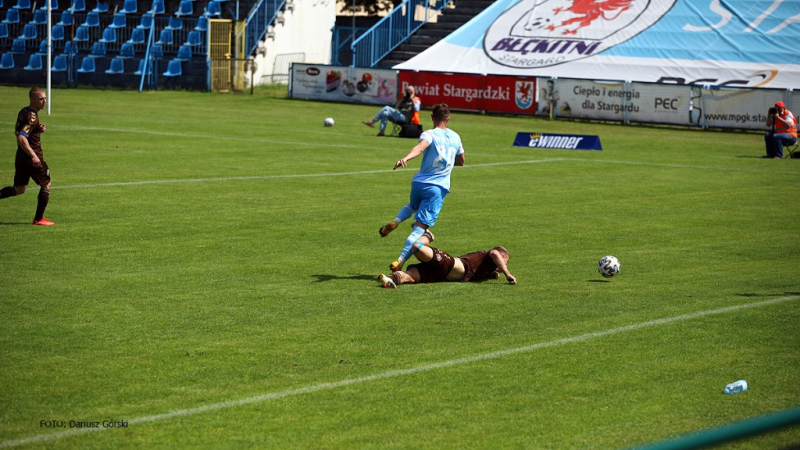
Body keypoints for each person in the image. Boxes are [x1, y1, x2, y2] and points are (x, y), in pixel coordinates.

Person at [379, 103, 465, 273]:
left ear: (432, 117)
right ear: (447, 119)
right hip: (437, 188)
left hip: (419, 184)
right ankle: (400, 260)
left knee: (413, 206)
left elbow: (420, 148)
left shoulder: (429, 134)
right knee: (420, 229)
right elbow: (461, 161)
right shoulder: (456, 137)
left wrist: (405, 158)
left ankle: (396, 221)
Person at [378, 231, 516, 288]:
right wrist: (508, 274)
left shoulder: (487, 270)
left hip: (441, 275)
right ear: (502, 256)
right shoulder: (491, 255)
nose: (505, 265)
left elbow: (483, 272)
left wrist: (493, 274)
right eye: (506, 261)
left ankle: (389, 279)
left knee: (409, 277)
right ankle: (427, 236)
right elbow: (495, 255)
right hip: (449, 263)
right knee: (416, 247)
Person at [0, 87, 55, 226]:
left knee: (20, 188)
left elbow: (21, 131)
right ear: (32, 99)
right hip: (32, 158)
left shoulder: (25, 111)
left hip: (21, 157)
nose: (44, 101)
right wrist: (34, 156)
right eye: (41, 99)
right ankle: (38, 219)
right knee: (46, 183)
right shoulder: (32, 116)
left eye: (45, 98)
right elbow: (21, 138)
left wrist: (37, 129)